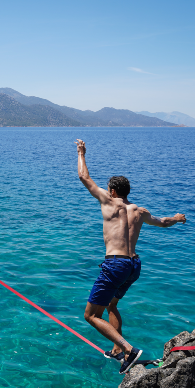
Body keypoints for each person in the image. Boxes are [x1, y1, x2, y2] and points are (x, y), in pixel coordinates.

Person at [75, 139, 186, 374]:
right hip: (134, 265)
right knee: (112, 305)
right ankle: (117, 349)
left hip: (115, 264)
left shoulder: (108, 202)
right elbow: (164, 222)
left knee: (91, 315)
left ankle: (129, 349)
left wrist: (82, 153)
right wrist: (178, 217)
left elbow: (84, 178)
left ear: (113, 191)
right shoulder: (139, 211)